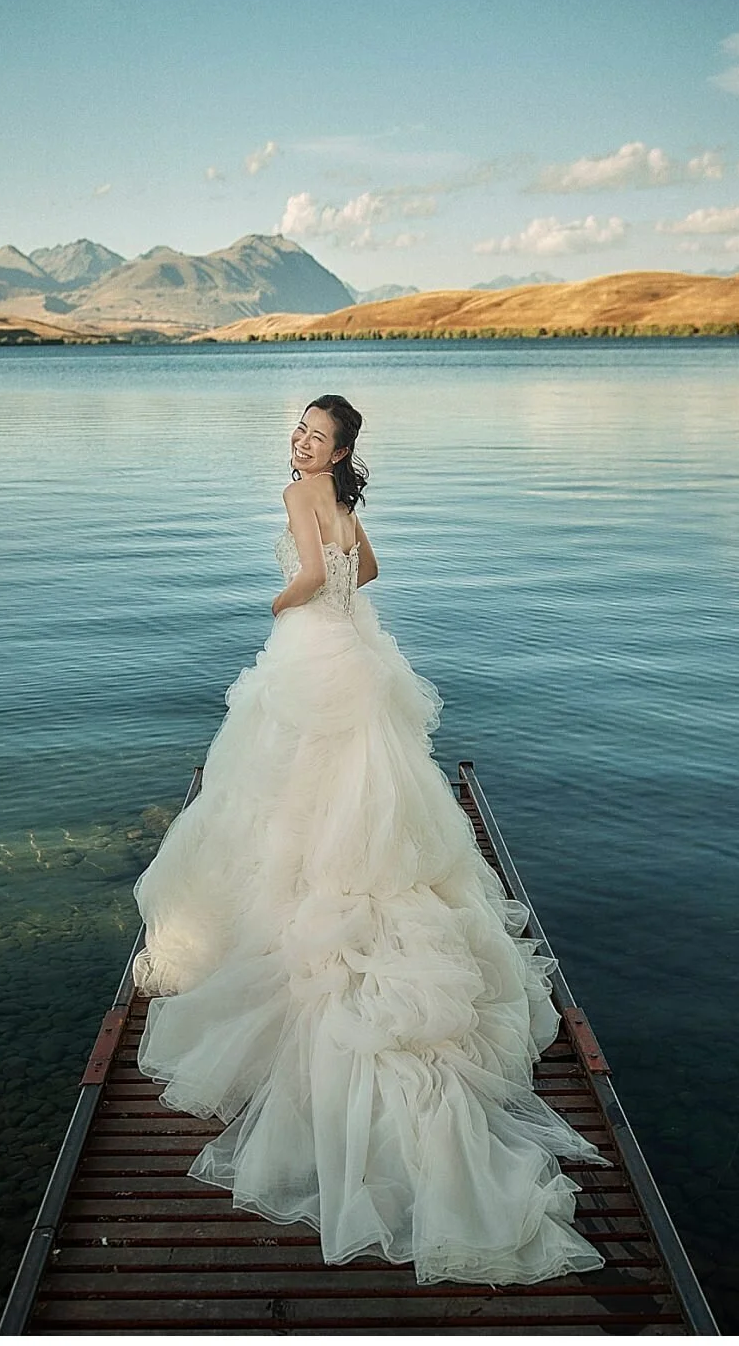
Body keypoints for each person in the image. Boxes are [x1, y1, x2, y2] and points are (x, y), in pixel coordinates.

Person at [127, 394, 606, 1287]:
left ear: (338, 447)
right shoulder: (345, 500)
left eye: (315, 433)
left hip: (315, 649)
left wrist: (282, 600)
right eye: (299, 427)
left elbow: (313, 576)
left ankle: (293, 906)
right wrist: (329, 593)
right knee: (367, 791)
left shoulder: (297, 492)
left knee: (287, 785)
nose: (300, 439)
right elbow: (366, 569)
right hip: (356, 649)